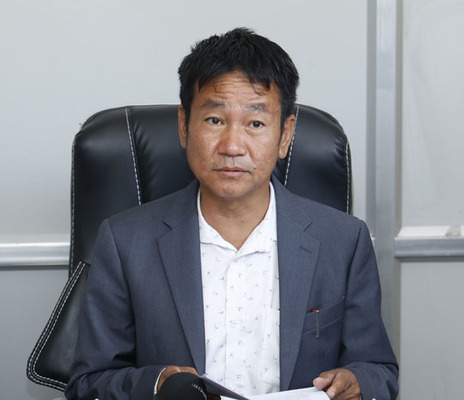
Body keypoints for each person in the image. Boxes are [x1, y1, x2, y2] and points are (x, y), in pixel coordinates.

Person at [65, 27, 398, 400]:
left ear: (285, 134)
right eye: (214, 121)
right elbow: (88, 385)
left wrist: (358, 382)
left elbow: (379, 371)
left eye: (255, 124)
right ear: (184, 126)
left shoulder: (344, 241)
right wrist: (156, 384)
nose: (232, 146)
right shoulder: (126, 242)